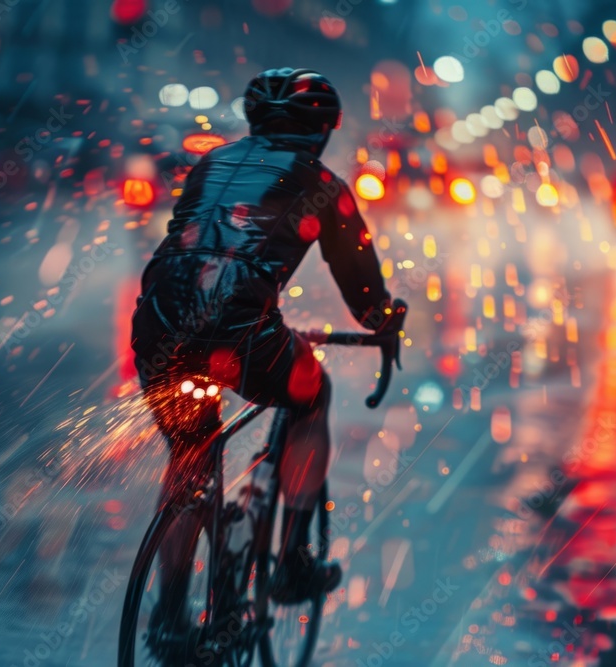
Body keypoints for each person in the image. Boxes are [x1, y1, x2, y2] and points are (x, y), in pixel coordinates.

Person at [131, 67, 402, 653]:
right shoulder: (323, 183)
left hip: (157, 323)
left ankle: (168, 617)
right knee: (313, 394)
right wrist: (387, 321)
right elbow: (363, 291)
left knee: (189, 457)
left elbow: (202, 248)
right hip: (239, 333)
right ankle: (292, 563)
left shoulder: (212, 163)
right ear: (324, 129)